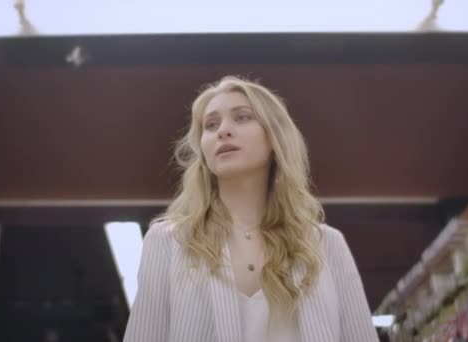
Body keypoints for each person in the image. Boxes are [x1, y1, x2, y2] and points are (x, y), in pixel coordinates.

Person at [123, 76, 378, 342]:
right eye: (211, 125)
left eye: (242, 117)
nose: (223, 130)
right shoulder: (168, 242)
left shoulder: (327, 246)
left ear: (274, 138)